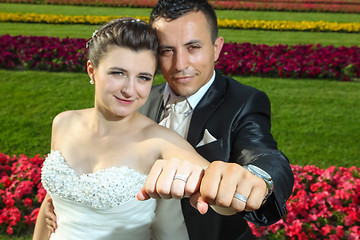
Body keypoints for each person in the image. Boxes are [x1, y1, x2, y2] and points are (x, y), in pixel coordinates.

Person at [45, 0, 295, 239]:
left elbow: (262, 153)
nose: (180, 64)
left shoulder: (243, 101)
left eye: (193, 47)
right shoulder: (137, 100)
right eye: (167, 51)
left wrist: (258, 179)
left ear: (216, 48)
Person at [33, 17, 210, 240]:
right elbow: (50, 203)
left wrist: (251, 181)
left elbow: (217, 182)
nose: (129, 90)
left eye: (143, 78)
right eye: (118, 73)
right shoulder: (63, 123)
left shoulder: (159, 141)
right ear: (92, 70)